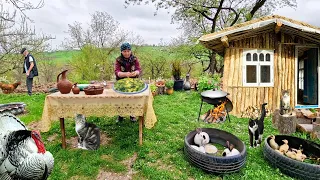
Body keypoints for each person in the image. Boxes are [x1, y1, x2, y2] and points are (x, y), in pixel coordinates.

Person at [114, 42, 141, 122]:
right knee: (120, 98)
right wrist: (125, 74)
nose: (126, 53)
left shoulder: (135, 59)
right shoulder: (118, 60)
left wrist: (136, 72)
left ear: (130, 51)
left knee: (132, 98)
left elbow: (138, 69)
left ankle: (132, 115)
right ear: (121, 52)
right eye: (124, 51)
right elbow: (117, 72)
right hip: (121, 82)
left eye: (128, 51)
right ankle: (120, 115)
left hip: (133, 82)